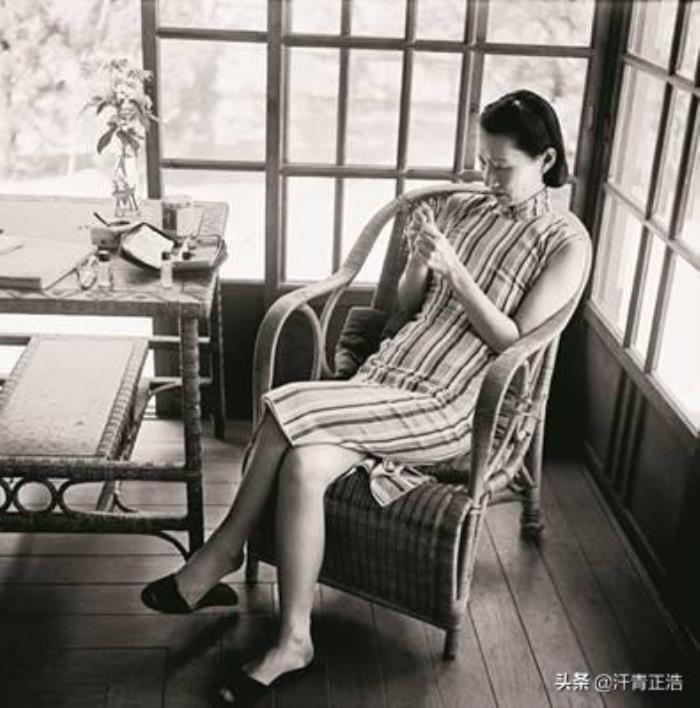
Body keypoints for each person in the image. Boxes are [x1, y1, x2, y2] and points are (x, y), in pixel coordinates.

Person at [141, 89, 590, 704]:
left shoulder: (565, 242)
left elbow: (515, 342)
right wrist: (421, 263)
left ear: (546, 158)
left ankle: (221, 552)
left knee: (284, 408)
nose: (487, 178)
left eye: (501, 167)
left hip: (454, 402)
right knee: (302, 466)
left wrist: (458, 274)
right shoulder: (465, 209)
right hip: (388, 376)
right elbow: (405, 307)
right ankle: (294, 639)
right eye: (482, 162)